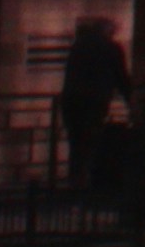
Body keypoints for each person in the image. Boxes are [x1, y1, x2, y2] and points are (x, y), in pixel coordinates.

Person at [59, 12, 138, 206]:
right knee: (89, 144)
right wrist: (131, 103)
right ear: (108, 32)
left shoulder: (78, 46)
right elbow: (122, 78)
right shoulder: (111, 48)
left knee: (76, 144)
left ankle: (75, 185)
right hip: (93, 102)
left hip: (71, 102)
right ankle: (84, 188)